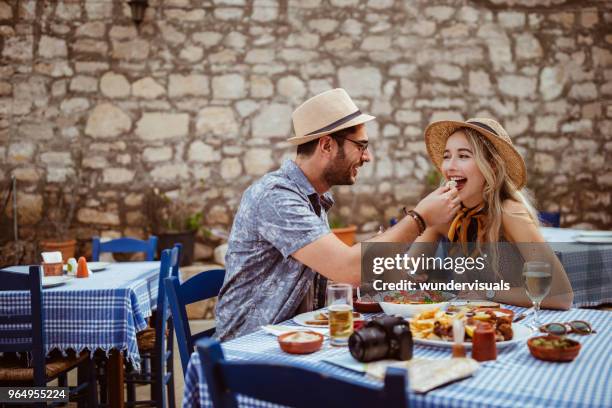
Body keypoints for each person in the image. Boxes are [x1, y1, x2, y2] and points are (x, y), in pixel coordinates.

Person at [215, 88, 461, 341]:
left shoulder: (311, 198)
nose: (368, 156)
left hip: (291, 336)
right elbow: (347, 269)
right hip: (247, 348)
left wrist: (373, 259)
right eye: (361, 146)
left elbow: (339, 271)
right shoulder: (276, 196)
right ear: (327, 145)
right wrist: (421, 218)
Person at [415, 117, 573, 309]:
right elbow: (407, 271)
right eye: (447, 156)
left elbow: (561, 296)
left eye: (464, 156)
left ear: (492, 166)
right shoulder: (446, 214)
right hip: (462, 324)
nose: (450, 166)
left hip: (516, 324)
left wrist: (487, 293)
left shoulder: (510, 212)